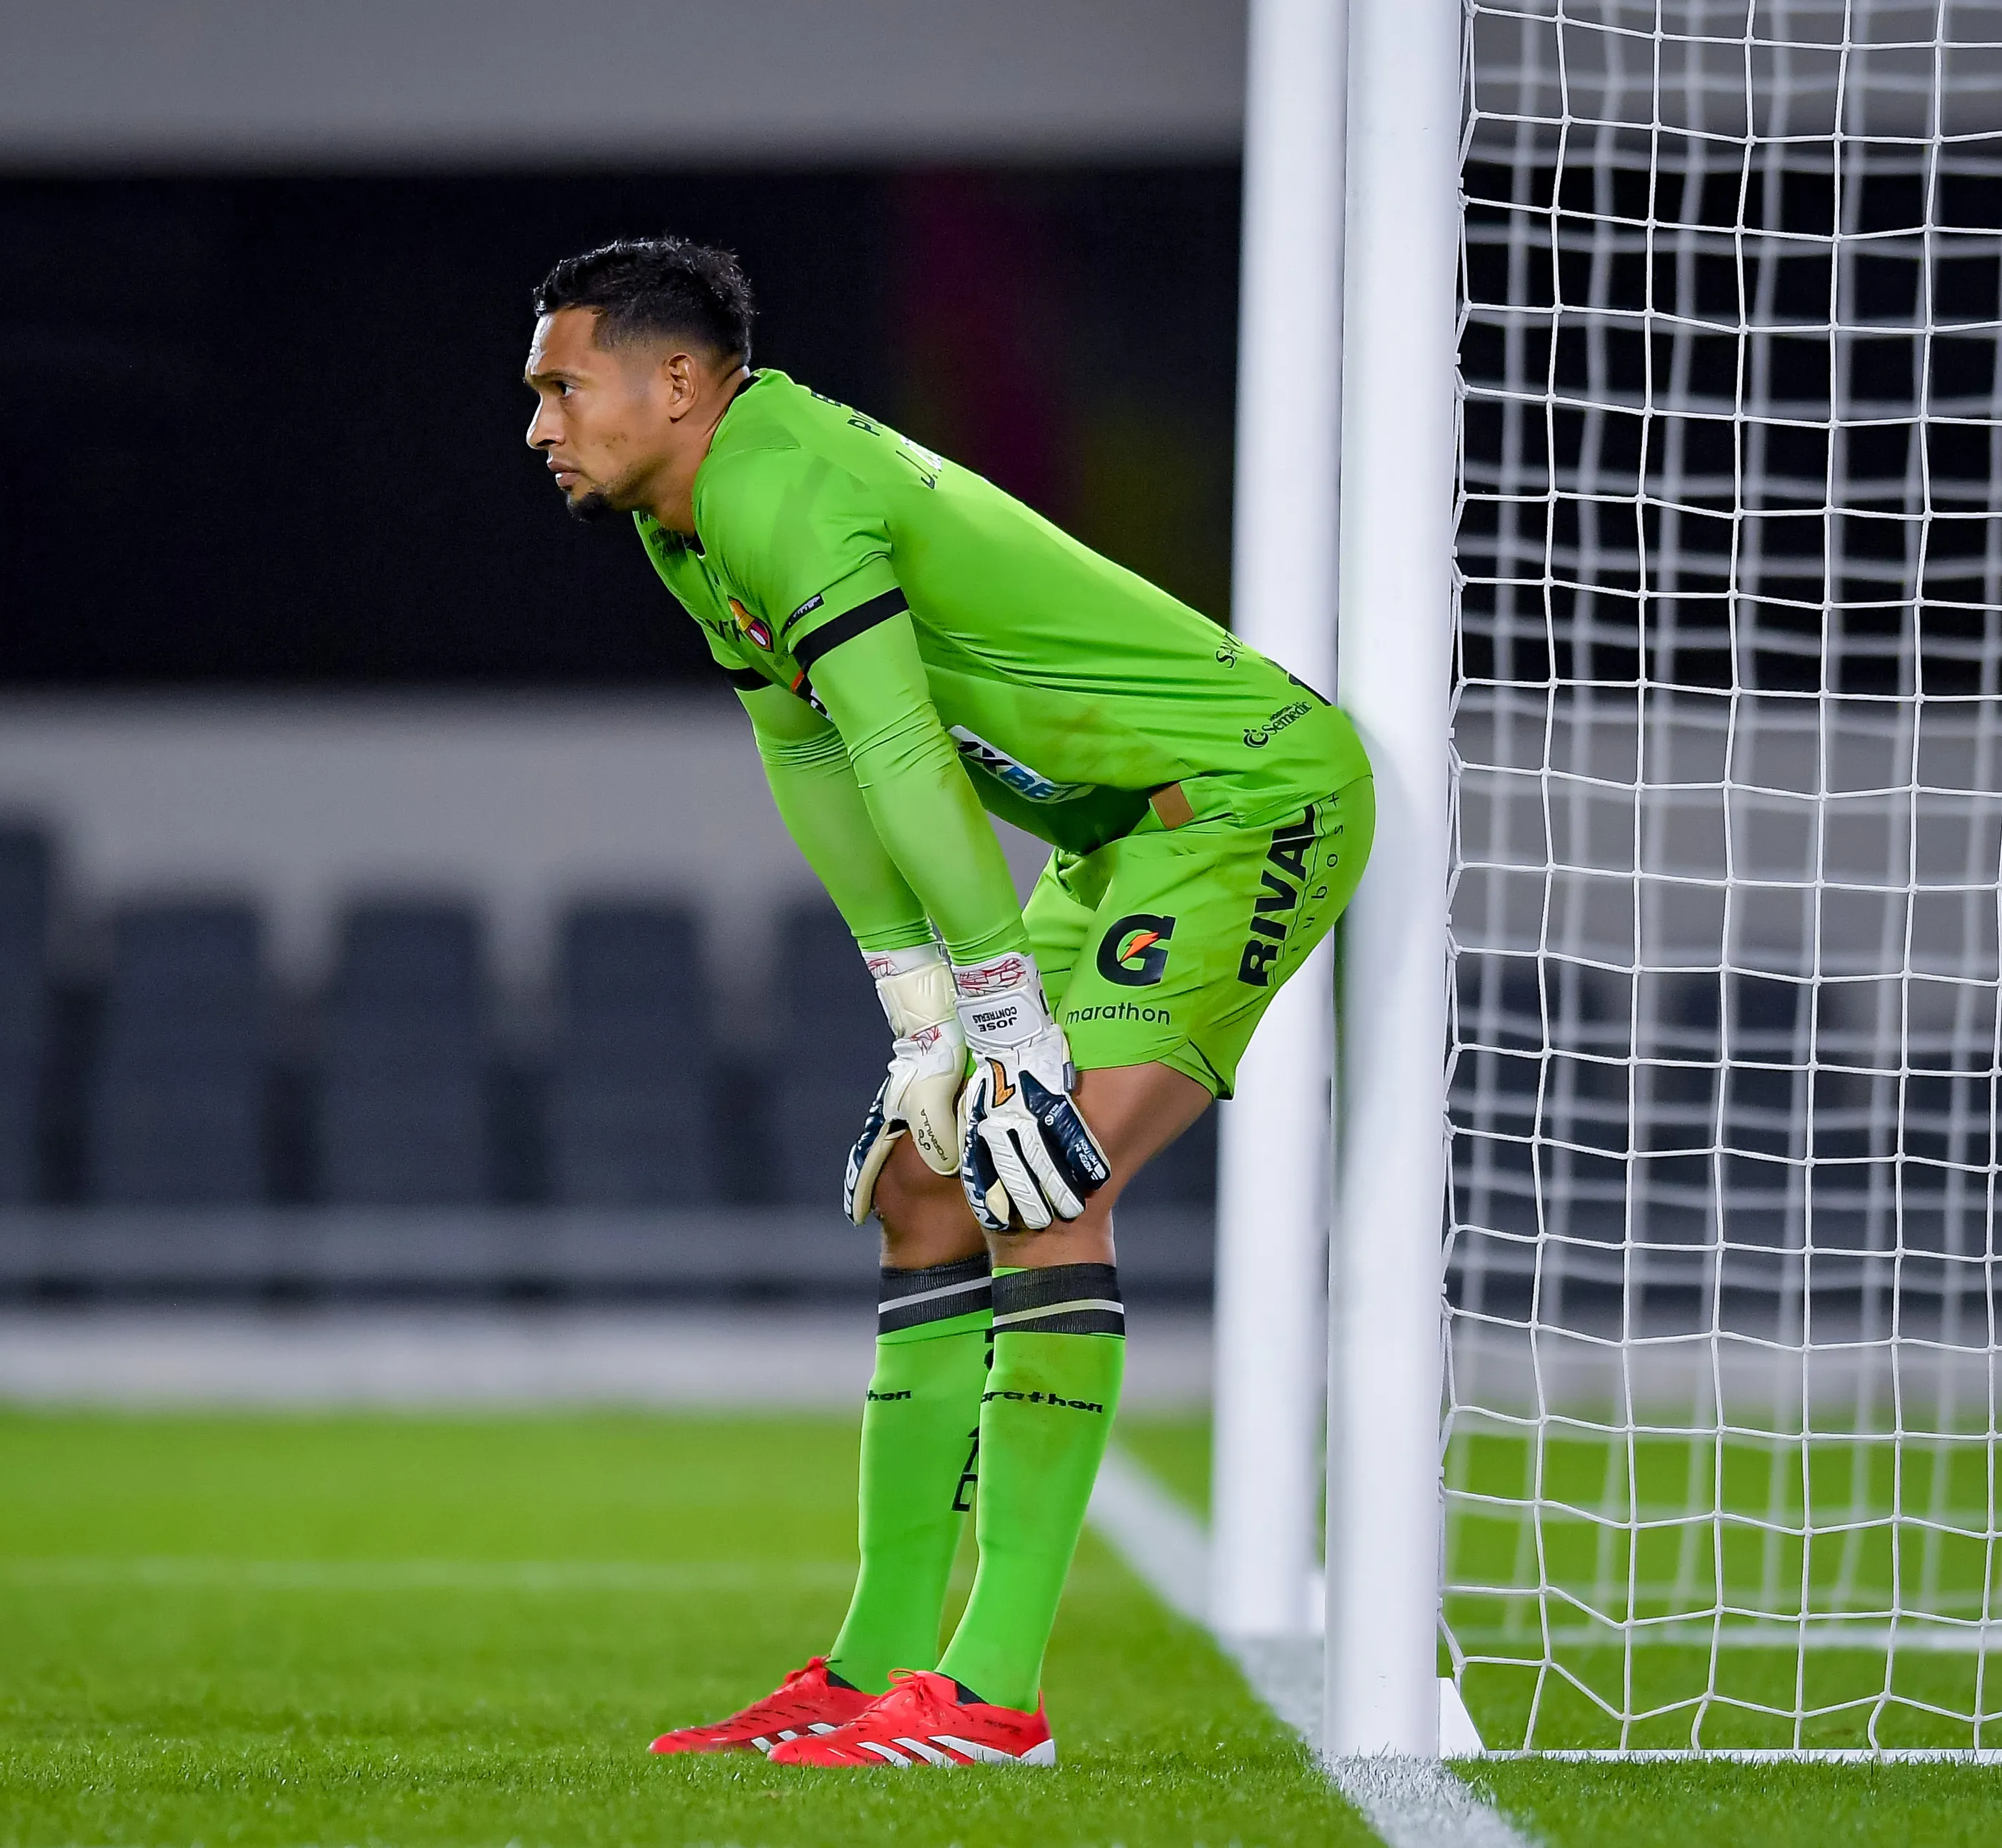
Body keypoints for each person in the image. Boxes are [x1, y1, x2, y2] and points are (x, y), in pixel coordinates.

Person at [523, 236, 1369, 1769]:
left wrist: (1002, 1014)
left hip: (1245, 801)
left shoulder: (786, 488)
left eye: (561, 387)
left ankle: (995, 1700)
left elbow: (906, 750)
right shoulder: (684, 523)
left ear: (676, 381)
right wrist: (923, 1012)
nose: (539, 426)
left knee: (1041, 1178)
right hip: (1117, 839)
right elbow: (814, 757)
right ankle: (873, 1666)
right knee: (926, 1183)